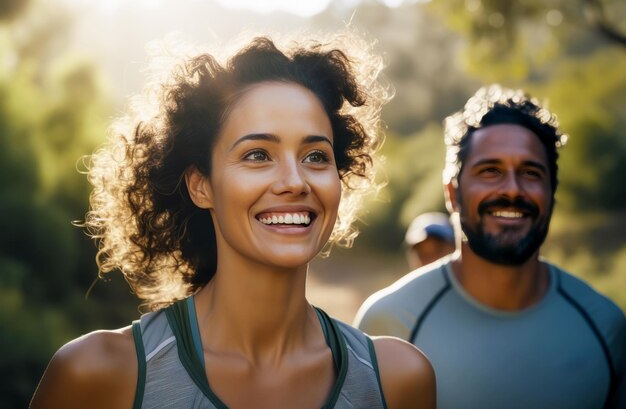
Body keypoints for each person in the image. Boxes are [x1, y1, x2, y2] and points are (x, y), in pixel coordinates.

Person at [29, 33, 435, 409]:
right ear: (201, 185)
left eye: (315, 157)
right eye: (257, 154)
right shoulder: (99, 375)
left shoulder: (397, 381)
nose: (295, 181)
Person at [354, 85, 626, 409]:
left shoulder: (605, 327)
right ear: (453, 193)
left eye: (530, 172)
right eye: (490, 171)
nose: (512, 189)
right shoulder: (389, 324)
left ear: (551, 192)